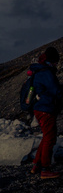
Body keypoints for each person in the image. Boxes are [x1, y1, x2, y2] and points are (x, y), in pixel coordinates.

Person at [28, 47, 61, 178]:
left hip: (40, 108)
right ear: (52, 60)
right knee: (50, 138)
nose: (56, 64)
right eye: (56, 62)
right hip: (46, 108)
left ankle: (37, 164)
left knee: (46, 137)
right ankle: (45, 169)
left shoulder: (39, 70)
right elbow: (55, 90)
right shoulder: (46, 73)